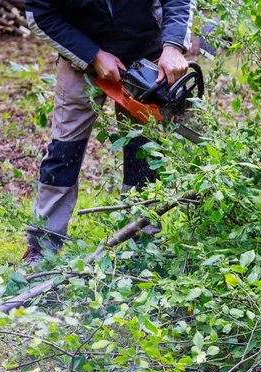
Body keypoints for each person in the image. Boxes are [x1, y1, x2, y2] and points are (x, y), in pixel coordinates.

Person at [22, 0, 195, 265]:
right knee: (64, 149)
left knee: (144, 148)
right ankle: (43, 246)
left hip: (147, 54)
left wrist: (172, 46)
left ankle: (142, 241)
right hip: (81, 54)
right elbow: (40, 12)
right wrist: (92, 54)